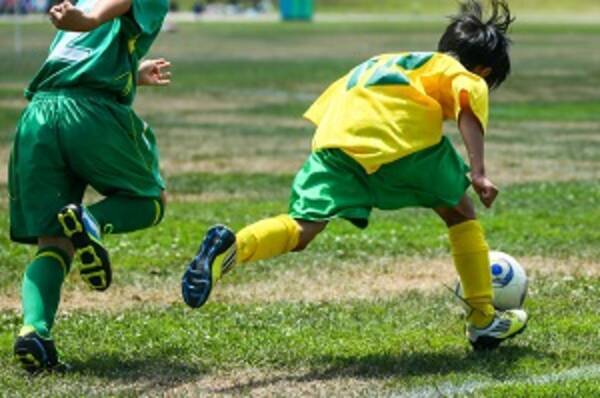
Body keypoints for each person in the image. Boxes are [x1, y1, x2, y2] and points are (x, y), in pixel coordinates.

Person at [181, 0, 527, 350]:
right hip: (398, 140)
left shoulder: (382, 61)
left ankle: (232, 249)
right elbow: (468, 108)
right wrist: (479, 173)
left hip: (335, 143)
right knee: (459, 211)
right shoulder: (458, 73)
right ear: (482, 70)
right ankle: (483, 318)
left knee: (302, 228)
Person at [9, 0, 170, 373]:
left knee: (53, 240)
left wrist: (132, 70)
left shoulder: (79, 1)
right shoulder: (88, 8)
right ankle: (91, 222)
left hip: (38, 117)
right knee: (150, 201)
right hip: (88, 113)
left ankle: (35, 331)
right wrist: (88, 19)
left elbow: (82, 57)